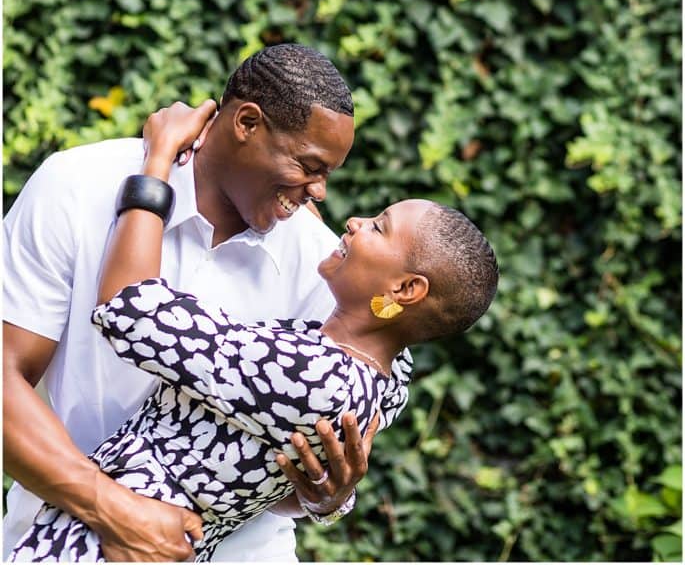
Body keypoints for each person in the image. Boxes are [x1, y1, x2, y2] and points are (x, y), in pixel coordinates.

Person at [8, 102, 498, 562]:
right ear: (246, 125)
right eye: (311, 166)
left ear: (407, 289)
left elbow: (131, 312)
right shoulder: (382, 381)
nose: (342, 212)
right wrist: (326, 495)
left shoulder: (308, 369)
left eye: (379, 227)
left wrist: (157, 160)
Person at [4, 44, 375, 563]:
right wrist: (112, 509)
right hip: (64, 540)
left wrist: (326, 495)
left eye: (328, 173)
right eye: (309, 165)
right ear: (247, 122)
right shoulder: (78, 186)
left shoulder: (324, 265)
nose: (320, 192)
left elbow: (291, 478)